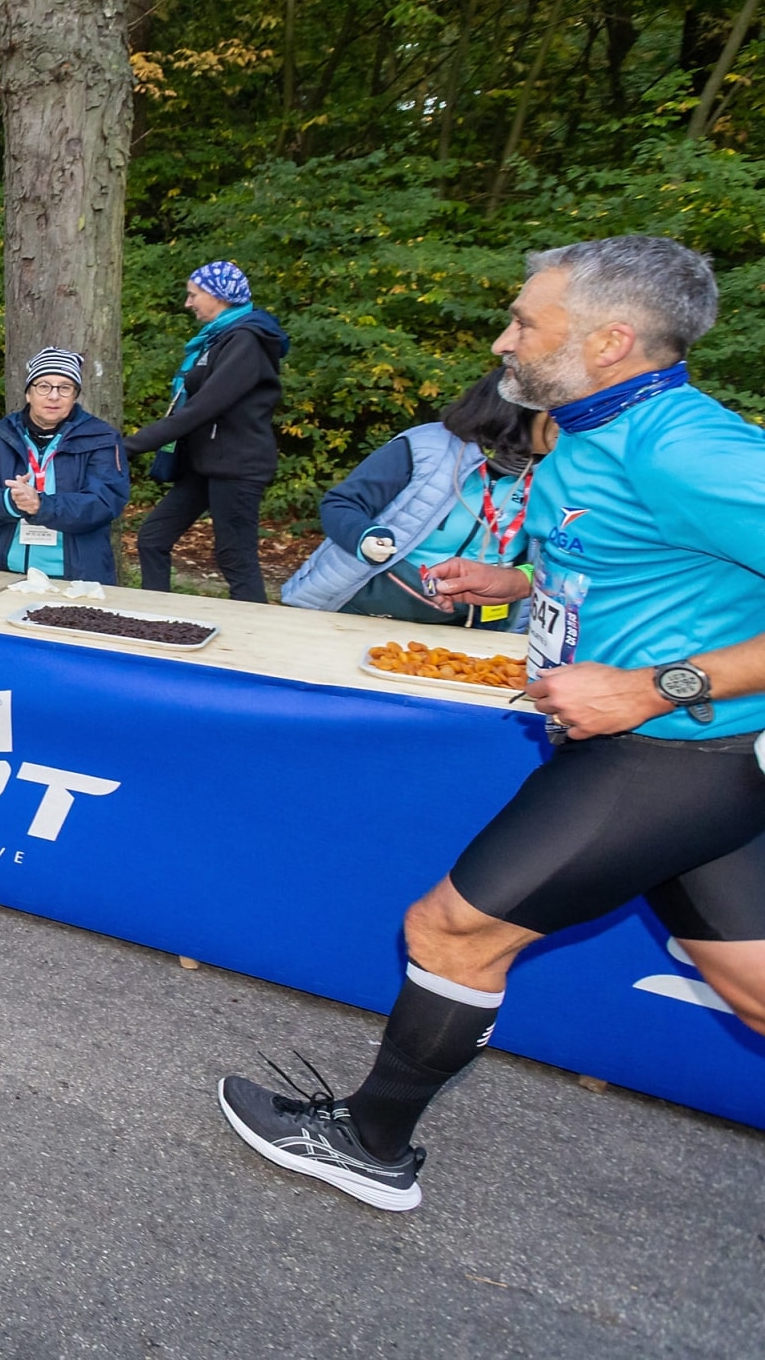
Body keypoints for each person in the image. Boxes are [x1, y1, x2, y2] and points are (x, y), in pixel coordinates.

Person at [217, 234, 765, 1214]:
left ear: (610, 340)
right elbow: (647, 561)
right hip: (672, 760)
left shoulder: (684, 445)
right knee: (753, 986)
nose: (504, 338)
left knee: (451, 928)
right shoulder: (584, 430)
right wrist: (518, 581)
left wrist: (651, 685)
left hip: (666, 753)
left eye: (525, 320)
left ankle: (370, 1143)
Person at [280, 367, 551, 630]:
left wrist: (522, 578)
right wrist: (366, 538)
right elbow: (342, 504)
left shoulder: (560, 473)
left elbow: (562, 557)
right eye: (555, 411)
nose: (566, 423)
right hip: (368, 608)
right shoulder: (427, 447)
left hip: (473, 623)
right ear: (519, 411)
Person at [124, 261, 289, 602]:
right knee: (153, 538)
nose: (188, 303)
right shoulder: (217, 339)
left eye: (193, 295)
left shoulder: (247, 341)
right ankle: (155, 619)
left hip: (238, 467)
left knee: (235, 558)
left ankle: (255, 639)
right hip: (205, 464)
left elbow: (203, 408)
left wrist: (128, 446)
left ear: (218, 296)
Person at [0, 347, 129, 582]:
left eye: (64, 388)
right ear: (29, 393)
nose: (54, 396)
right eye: (44, 386)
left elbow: (105, 502)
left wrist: (41, 505)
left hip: (75, 578)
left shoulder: (101, 438)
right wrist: (11, 501)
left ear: (75, 395)